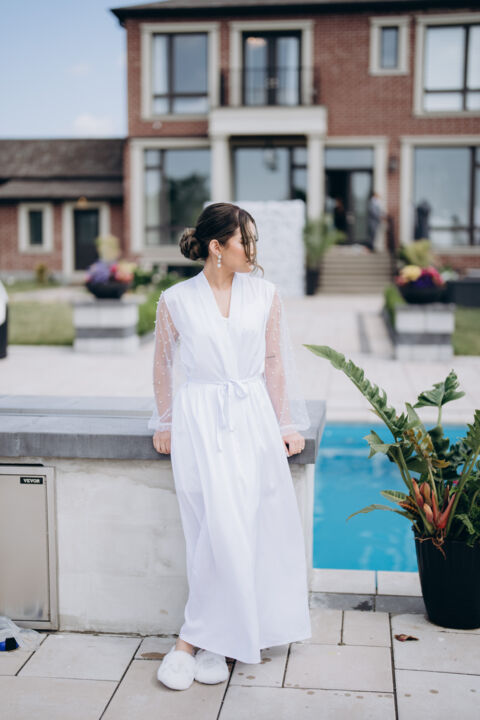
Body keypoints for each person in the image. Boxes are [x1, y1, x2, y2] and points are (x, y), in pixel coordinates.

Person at [149, 202, 312, 691]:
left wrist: (285, 422)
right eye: (246, 241)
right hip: (200, 420)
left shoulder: (265, 294)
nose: (253, 250)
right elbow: (162, 364)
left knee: (246, 526)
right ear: (217, 247)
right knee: (211, 528)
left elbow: (274, 361)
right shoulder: (175, 300)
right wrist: (165, 420)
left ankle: (195, 642)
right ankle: (213, 641)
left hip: (252, 417)